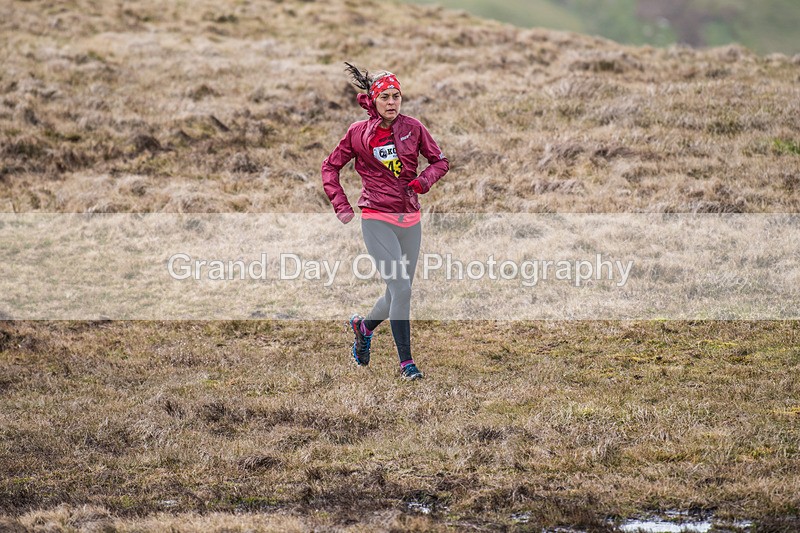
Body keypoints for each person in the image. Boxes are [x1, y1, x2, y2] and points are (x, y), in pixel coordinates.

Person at [321, 63, 449, 381]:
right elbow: (329, 168)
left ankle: (363, 328)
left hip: (410, 219)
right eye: (385, 97)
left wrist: (424, 181)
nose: (392, 102)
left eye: (397, 96)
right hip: (376, 217)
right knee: (401, 288)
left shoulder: (414, 128)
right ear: (374, 100)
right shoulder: (357, 133)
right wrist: (341, 205)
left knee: (396, 292)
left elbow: (440, 161)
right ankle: (407, 363)